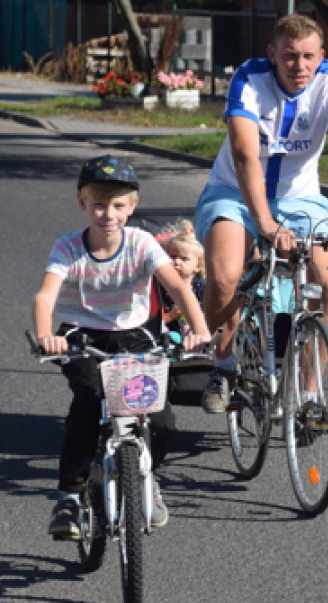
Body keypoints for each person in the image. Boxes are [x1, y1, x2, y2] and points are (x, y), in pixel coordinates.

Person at [194, 13, 328, 414]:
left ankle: (309, 394)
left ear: (322, 56)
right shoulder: (249, 78)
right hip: (233, 192)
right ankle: (222, 361)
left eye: (308, 56)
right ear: (272, 54)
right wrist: (266, 225)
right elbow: (243, 154)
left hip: (300, 199)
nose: (299, 66)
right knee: (223, 276)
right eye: (290, 56)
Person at [32, 155, 211, 539]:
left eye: (117, 205)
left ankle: (150, 477)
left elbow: (179, 286)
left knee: (161, 420)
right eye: (98, 204)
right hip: (81, 335)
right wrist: (48, 335)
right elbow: (46, 296)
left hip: (133, 334)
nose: (107, 214)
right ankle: (69, 496)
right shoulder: (67, 247)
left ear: (132, 207)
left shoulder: (142, 243)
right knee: (88, 401)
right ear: (82, 203)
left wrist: (199, 329)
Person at [155, 219, 207, 332]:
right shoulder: (159, 288)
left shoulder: (203, 288)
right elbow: (150, 321)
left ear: (198, 265)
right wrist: (169, 316)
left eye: (184, 259)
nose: (177, 262)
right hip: (166, 337)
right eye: (172, 257)